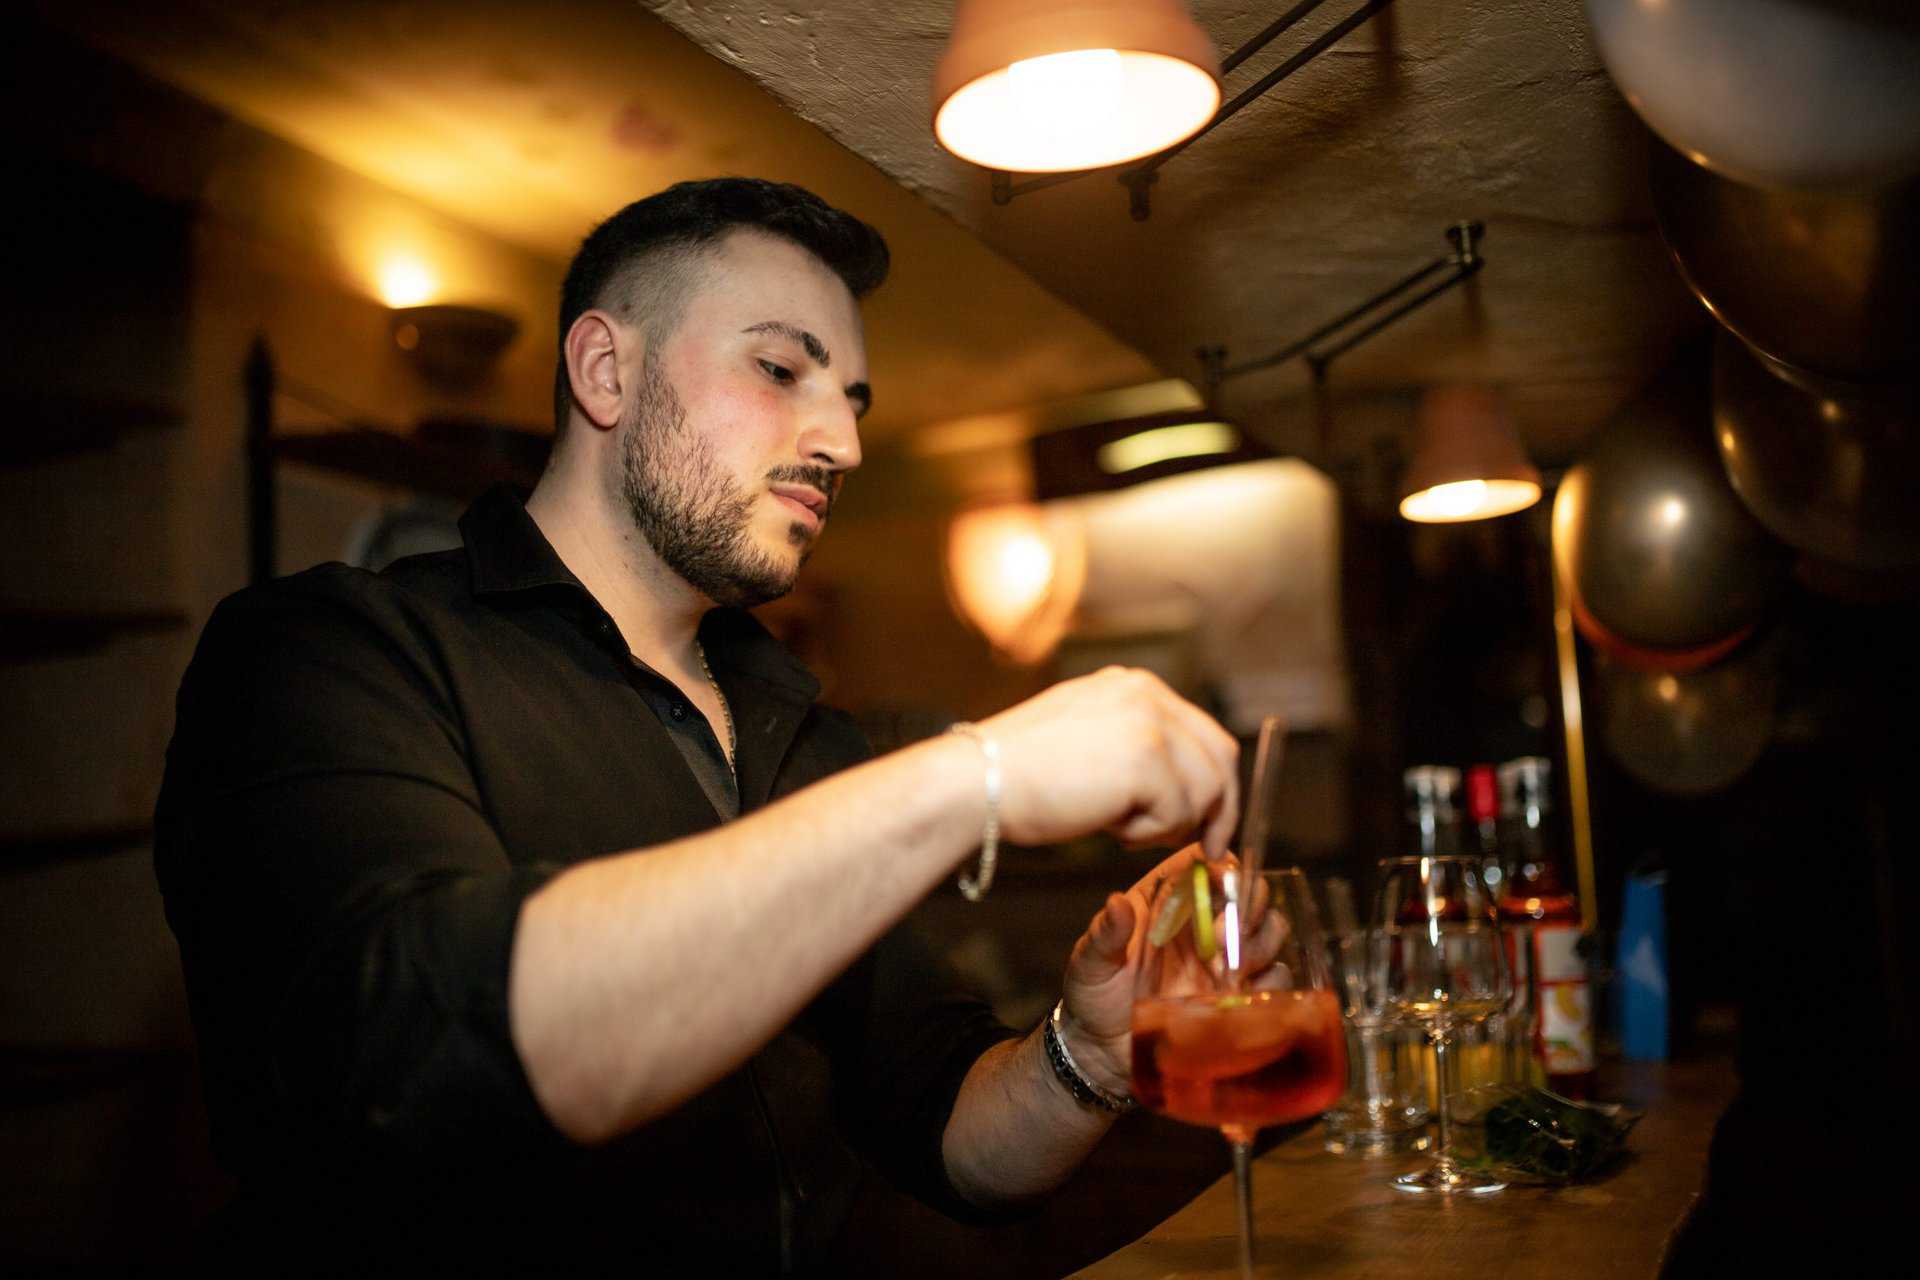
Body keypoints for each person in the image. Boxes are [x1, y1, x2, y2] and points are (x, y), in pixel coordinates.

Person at [155, 178, 1240, 1272]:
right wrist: (978, 777)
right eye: (780, 370)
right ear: (605, 370)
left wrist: (1089, 1053)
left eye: (853, 400)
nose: (844, 443)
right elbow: (419, 1051)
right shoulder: (326, 652)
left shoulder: (806, 735)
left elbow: (947, 1128)